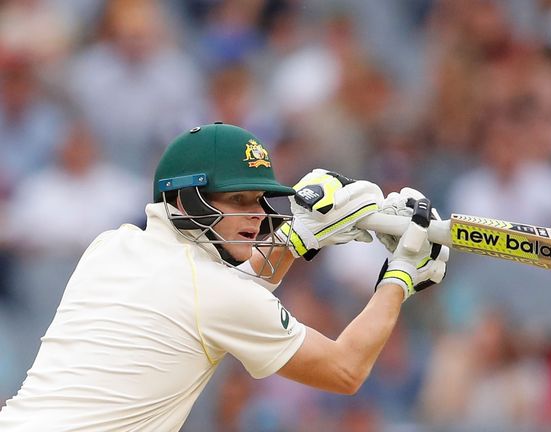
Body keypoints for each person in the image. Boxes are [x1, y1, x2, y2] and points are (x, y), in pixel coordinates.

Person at [0, 123, 449, 431]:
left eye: (259, 201)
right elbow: (346, 370)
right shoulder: (214, 294)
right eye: (239, 200)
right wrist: (402, 274)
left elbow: (212, 302)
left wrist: (299, 238)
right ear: (187, 198)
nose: (257, 217)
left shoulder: (111, 246)